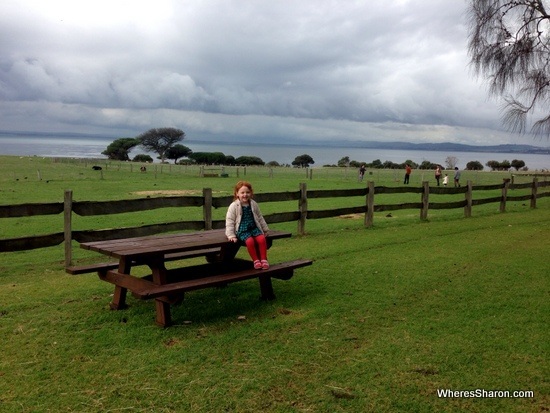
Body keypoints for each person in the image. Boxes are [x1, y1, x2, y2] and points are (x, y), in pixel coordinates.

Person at [226, 181, 270, 270]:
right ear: (237, 194)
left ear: (251, 193)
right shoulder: (234, 206)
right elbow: (229, 221)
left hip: (254, 228)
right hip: (242, 230)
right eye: (242, 193)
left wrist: (265, 229)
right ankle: (256, 260)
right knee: (250, 242)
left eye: (247, 192)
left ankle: (263, 259)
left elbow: (259, 217)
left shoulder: (253, 204)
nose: (245, 195)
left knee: (262, 239)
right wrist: (231, 235)